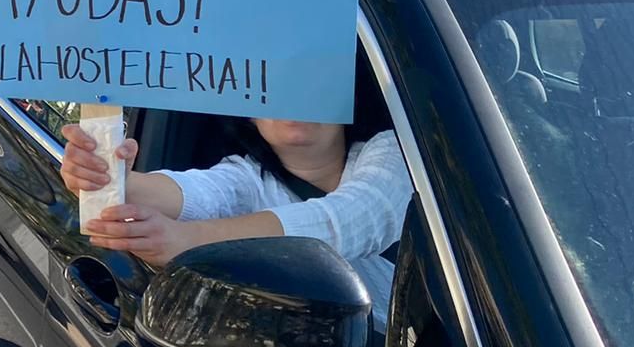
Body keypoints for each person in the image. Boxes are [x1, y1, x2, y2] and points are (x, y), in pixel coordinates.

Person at [61, 116, 413, 316]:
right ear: (248, 108)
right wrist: (110, 178)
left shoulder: (394, 151)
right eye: (271, 80)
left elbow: (357, 217)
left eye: (311, 79)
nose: (295, 96)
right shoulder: (245, 179)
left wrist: (187, 241)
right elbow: (194, 192)